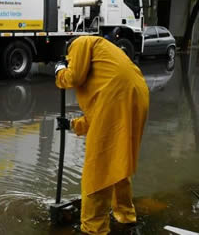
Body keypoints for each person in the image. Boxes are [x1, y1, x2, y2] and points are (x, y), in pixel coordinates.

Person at [54, 36, 149, 235]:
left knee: (99, 168)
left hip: (117, 98)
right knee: (119, 160)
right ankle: (125, 216)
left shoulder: (80, 43)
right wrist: (72, 124)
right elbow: (99, 117)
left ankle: (93, 228)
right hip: (136, 95)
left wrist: (60, 70)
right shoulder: (106, 59)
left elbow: (73, 78)